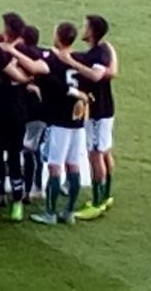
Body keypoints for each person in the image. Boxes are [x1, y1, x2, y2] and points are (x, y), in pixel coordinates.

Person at [0, 13, 50, 224]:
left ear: (7, 30)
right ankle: (17, 206)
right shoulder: (27, 53)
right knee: (15, 157)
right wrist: (28, 78)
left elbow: (4, 71)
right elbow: (43, 69)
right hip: (20, 113)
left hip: (1, 111)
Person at [57, 15, 119, 220]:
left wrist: (70, 61)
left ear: (92, 31)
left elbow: (96, 76)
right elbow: (112, 72)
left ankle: (97, 202)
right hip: (105, 109)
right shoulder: (99, 51)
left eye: (85, 26)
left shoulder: (99, 53)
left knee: (96, 154)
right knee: (105, 150)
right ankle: (106, 194)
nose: (83, 29)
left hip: (99, 112)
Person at [30, 23, 91, 226]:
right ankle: (70, 211)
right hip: (77, 121)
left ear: (58, 36)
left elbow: (49, 81)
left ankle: (50, 213)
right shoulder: (81, 60)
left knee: (55, 166)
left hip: (59, 121)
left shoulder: (54, 60)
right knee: (73, 165)